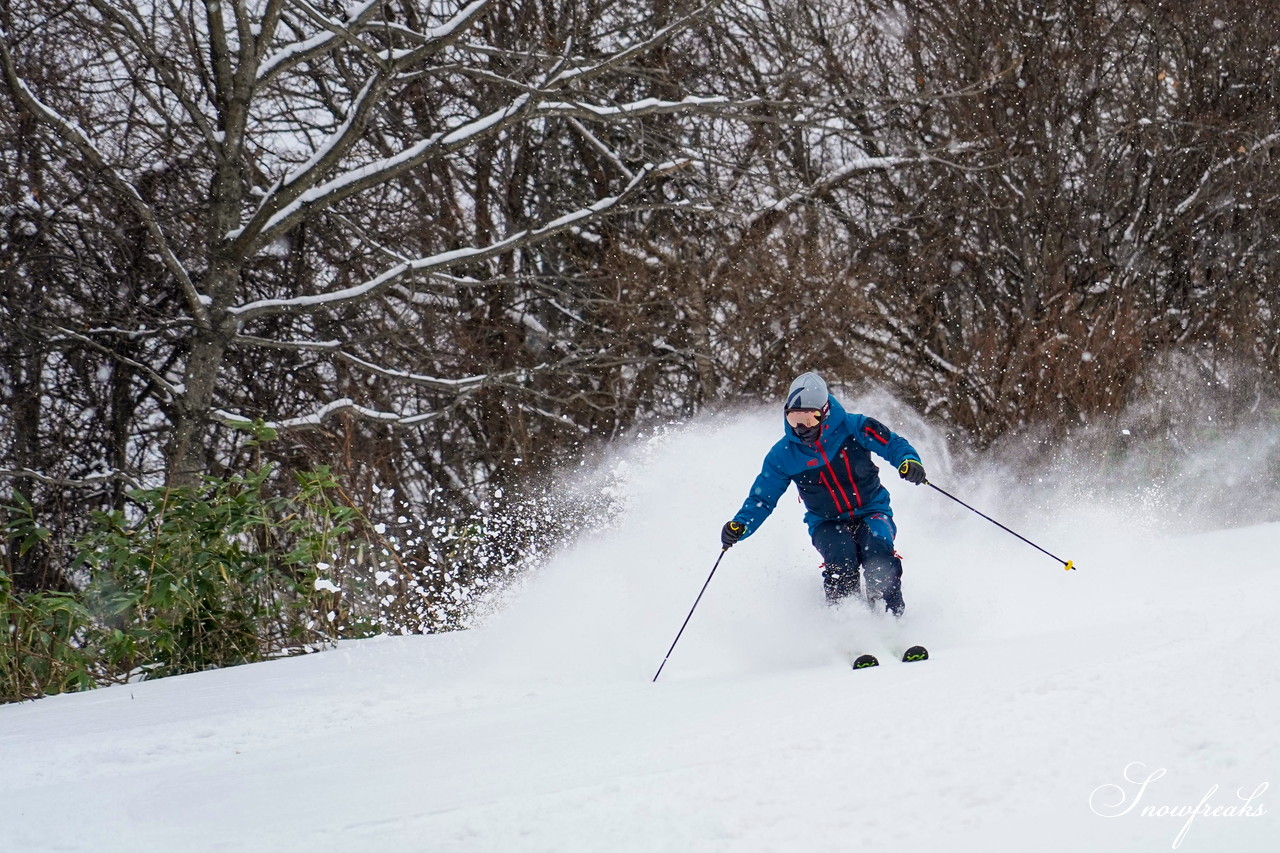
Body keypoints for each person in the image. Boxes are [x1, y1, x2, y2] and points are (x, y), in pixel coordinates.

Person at [720, 371, 927, 615]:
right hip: (826, 522)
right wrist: (741, 525)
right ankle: (848, 627)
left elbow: (893, 444)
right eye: (794, 418)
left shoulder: (855, 427)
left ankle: (890, 621)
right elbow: (762, 498)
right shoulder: (783, 454)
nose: (800, 428)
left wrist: (909, 461)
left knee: (878, 554)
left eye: (809, 419)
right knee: (841, 559)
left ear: (825, 412)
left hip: (872, 511)